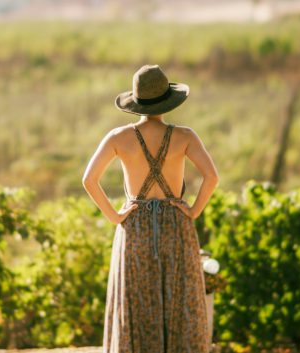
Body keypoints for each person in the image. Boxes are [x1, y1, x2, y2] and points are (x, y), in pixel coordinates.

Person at [82, 65, 219, 353]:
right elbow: (212, 177)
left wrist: (115, 217)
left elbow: (89, 180)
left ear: (136, 101)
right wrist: (193, 210)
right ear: (168, 99)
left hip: (135, 225)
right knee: (180, 300)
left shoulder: (118, 137)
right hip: (176, 224)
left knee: (135, 300)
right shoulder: (185, 136)